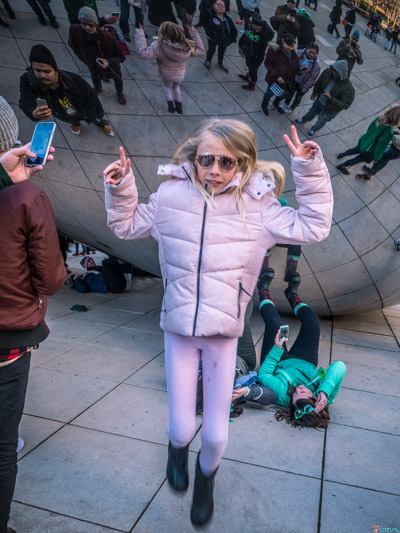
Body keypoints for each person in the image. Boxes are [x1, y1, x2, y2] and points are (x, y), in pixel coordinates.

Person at [102, 118, 333, 526]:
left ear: (242, 163)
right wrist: (120, 187)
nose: (215, 170)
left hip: (224, 335)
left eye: (227, 162)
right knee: (179, 427)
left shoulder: (259, 206)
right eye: (207, 159)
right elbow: (125, 224)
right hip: (178, 330)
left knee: (215, 434)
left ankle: (206, 478)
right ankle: (176, 451)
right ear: (194, 156)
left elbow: (313, 226)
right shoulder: (170, 195)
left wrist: (309, 170)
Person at [0, 102, 66, 533]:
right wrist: (19, 188)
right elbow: (52, 279)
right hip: (8, 342)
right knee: (2, 445)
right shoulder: (25, 198)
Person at [232, 273, 346, 428]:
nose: (299, 390)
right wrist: (325, 391)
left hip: (279, 359)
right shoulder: (325, 396)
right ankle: (293, 296)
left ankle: (263, 291)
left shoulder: (282, 393)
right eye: (304, 392)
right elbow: (339, 366)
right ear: (314, 397)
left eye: (295, 395)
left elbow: (264, 374)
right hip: (305, 361)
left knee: (275, 322)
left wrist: (278, 348)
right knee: (312, 322)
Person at [19, 44, 114, 137]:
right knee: (72, 119)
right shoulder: (29, 81)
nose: (42, 75)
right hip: (62, 112)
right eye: (37, 71)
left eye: (47, 71)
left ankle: (101, 124)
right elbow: (24, 102)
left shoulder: (73, 79)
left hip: (82, 108)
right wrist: (32, 113)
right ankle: (75, 125)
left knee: (95, 118)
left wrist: (99, 113)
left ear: (55, 70)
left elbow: (91, 95)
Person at [135, 20, 205, 114]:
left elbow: (143, 54)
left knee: (167, 87)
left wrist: (140, 33)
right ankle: (179, 108)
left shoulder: (159, 46)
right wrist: (193, 32)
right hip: (180, 75)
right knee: (176, 87)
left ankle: (171, 107)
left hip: (166, 74)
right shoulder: (187, 47)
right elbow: (201, 51)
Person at [68, 7, 127, 105]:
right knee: (94, 76)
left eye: (90, 25)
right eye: (84, 23)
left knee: (118, 79)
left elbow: (121, 57)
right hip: (92, 63)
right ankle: (97, 88)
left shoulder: (108, 38)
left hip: (111, 66)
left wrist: (108, 62)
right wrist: (84, 58)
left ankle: (119, 93)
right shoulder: (74, 29)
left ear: (96, 24)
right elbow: (72, 44)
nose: (87, 27)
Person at [336, 105, 400, 177]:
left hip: (364, 141)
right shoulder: (389, 132)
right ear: (396, 119)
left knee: (354, 150)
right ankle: (342, 166)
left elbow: (370, 128)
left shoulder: (380, 118)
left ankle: (342, 154)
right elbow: (381, 146)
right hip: (369, 149)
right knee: (357, 159)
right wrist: (376, 158)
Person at [295, 59, 355, 136]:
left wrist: (331, 98)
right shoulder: (328, 72)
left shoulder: (348, 88)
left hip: (330, 110)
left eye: (337, 73)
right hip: (319, 101)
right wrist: (314, 92)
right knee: (311, 112)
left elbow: (345, 105)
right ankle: (303, 119)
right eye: (334, 71)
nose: (334, 73)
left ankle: (313, 129)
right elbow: (319, 82)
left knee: (321, 121)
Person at [260, 33, 300, 116]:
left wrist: (299, 70)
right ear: (282, 41)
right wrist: (277, 76)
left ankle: (275, 103)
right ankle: (264, 105)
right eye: (288, 45)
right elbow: (267, 64)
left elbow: (296, 64)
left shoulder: (292, 52)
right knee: (269, 93)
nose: (290, 48)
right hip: (274, 78)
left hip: (286, 81)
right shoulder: (273, 50)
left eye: (292, 46)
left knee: (281, 94)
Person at [237, 12, 274, 91]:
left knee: (253, 70)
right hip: (248, 53)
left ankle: (252, 84)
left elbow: (271, 33)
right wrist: (241, 46)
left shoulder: (264, 34)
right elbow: (245, 36)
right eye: (254, 25)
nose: (256, 27)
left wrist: (264, 23)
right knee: (249, 66)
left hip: (257, 56)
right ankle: (248, 76)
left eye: (258, 26)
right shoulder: (251, 27)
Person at [281, 43, 320, 114]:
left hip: (303, 84)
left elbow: (312, 78)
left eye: (314, 53)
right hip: (293, 79)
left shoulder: (316, 66)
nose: (311, 55)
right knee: (290, 93)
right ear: (306, 49)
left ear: (317, 54)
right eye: (310, 52)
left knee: (298, 97)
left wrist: (305, 88)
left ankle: (292, 108)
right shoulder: (299, 53)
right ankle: (286, 103)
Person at [204, 0, 237, 72]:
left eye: (223, 6)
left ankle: (220, 62)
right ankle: (208, 60)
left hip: (224, 40)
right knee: (211, 50)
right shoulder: (209, 14)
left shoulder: (228, 19)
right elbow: (205, 25)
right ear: (214, 5)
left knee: (222, 51)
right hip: (212, 39)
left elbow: (234, 31)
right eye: (218, 4)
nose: (220, 7)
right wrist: (210, 35)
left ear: (225, 9)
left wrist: (229, 40)